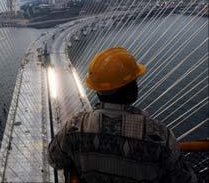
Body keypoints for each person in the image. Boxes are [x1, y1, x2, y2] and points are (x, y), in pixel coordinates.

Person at [48, 47, 196, 183]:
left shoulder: (75, 127)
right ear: (129, 89)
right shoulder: (158, 135)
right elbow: (185, 178)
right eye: (134, 81)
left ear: (97, 89)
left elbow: (54, 160)